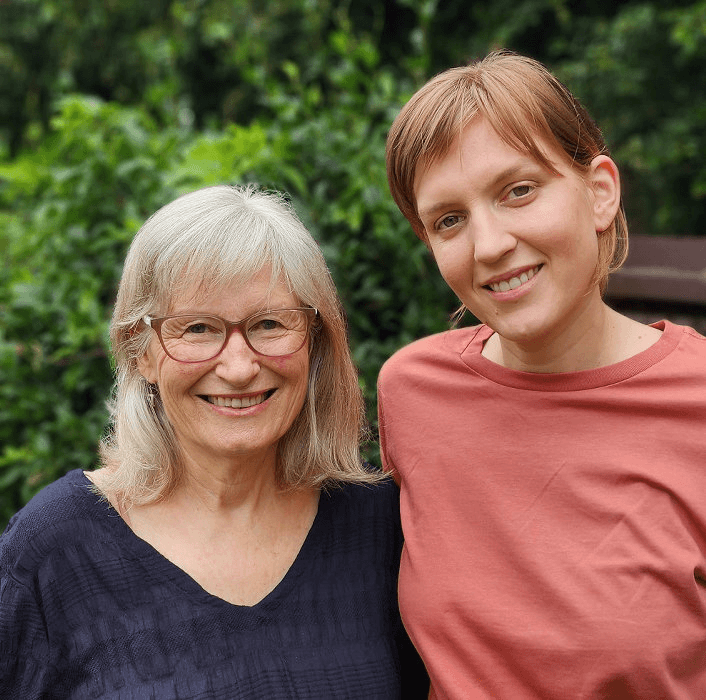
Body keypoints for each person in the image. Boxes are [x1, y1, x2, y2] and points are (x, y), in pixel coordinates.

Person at [0, 184, 428, 699]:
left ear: (314, 342)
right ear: (141, 352)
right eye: (198, 328)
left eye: (270, 324)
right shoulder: (54, 551)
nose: (240, 366)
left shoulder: (382, 528)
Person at [378, 50, 706, 699]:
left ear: (599, 192)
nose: (490, 244)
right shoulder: (412, 391)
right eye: (449, 220)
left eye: (518, 191)